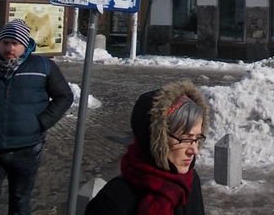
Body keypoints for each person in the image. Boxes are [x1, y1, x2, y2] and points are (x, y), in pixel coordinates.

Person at [0, 19, 73, 214]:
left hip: (27, 148)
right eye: (5, 43)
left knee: (20, 203)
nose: (10, 48)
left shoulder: (43, 67)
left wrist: (41, 122)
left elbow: (64, 96)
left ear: (25, 45)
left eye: (15, 43)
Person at [86, 80, 209, 215]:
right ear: (156, 139)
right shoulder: (112, 201)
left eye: (197, 138)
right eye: (185, 138)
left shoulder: (189, 182)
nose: (194, 150)